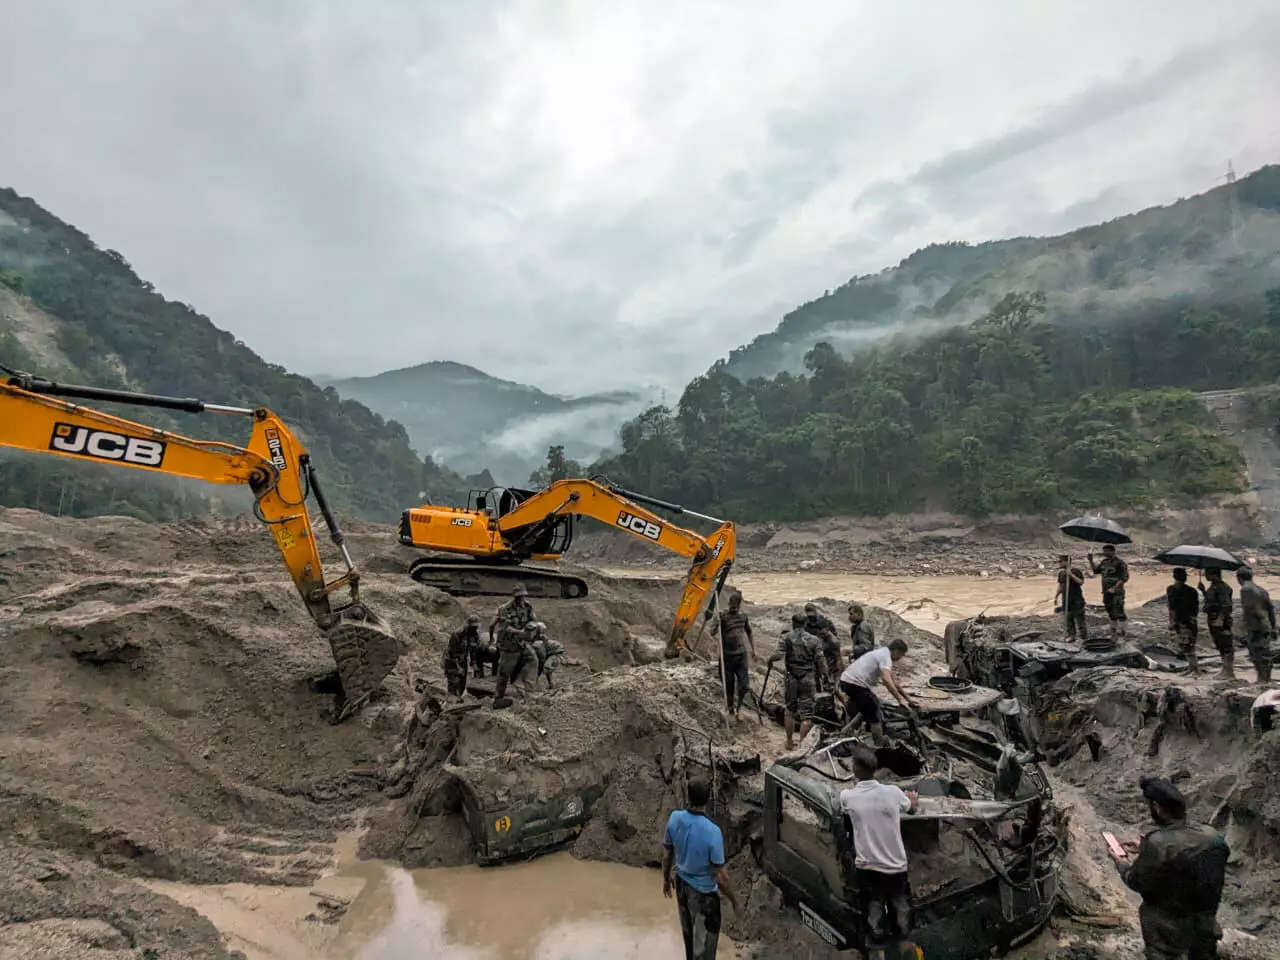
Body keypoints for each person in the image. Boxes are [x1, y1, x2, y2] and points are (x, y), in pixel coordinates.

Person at [1107, 776, 1229, 960]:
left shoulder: (1157, 843)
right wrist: (1143, 848)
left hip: (1168, 934)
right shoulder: (1212, 836)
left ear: (1156, 807)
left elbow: (1136, 881)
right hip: (1205, 926)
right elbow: (1187, 857)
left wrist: (1121, 862)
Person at [839, 745, 918, 958]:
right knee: (901, 907)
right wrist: (912, 799)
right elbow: (910, 807)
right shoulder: (893, 793)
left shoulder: (848, 797)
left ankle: (878, 945)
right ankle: (904, 941)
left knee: (874, 909)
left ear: (855, 769)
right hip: (895, 866)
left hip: (868, 867)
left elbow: (843, 810)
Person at [662, 775, 739, 960]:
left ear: (689, 796)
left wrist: (666, 879)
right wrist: (734, 901)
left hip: (682, 888)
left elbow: (666, 855)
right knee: (704, 952)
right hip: (705, 898)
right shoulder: (712, 832)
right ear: (708, 798)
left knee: (690, 945)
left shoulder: (675, 818)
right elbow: (720, 877)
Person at [767, 613, 828, 749]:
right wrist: (825, 677)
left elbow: (778, 655)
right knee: (806, 714)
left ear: (793, 623)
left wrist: (770, 660)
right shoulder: (814, 640)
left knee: (790, 710)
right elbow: (821, 661)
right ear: (805, 623)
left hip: (792, 677)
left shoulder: (786, 637)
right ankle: (802, 745)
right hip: (808, 678)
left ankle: (789, 741)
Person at [839, 639, 915, 743]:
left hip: (847, 681)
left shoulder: (882, 652)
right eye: (901, 655)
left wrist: (908, 699)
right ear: (897, 651)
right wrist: (899, 699)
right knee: (875, 714)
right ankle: (879, 742)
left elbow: (894, 682)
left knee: (870, 704)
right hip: (855, 684)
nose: (900, 659)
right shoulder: (885, 657)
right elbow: (886, 680)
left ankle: (847, 730)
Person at [490, 583, 536, 704]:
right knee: (504, 672)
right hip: (509, 645)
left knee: (533, 660)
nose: (520, 598)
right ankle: (498, 698)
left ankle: (529, 693)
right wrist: (520, 632)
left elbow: (533, 620)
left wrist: (535, 629)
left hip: (522, 643)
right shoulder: (505, 609)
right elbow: (506, 627)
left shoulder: (527, 606)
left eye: (522, 596)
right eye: (518, 596)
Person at [716, 591, 756, 720]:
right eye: (731, 605)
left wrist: (753, 649)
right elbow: (712, 632)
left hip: (741, 655)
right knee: (729, 683)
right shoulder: (722, 615)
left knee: (744, 684)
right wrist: (717, 622)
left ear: (739, 605)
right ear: (728, 604)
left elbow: (749, 632)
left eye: (735, 606)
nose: (732, 608)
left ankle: (739, 708)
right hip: (727, 655)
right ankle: (730, 708)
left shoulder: (743, 617)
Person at [1236, 567, 1274, 683]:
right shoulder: (1261, 590)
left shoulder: (1245, 589)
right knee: (1264, 653)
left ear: (1239, 578)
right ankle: (1265, 679)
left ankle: (1262, 679)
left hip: (1255, 625)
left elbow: (1248, 609)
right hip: (1265, 624)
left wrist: (1242, 628)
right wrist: (1273, 627)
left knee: (1256, 653)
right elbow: (1271, 609)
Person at [1199, 568, 1235, 680]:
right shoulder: (1214, 586)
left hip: (1220, 619)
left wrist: (1220, 619)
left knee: (1226, 645)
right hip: (1213, 618)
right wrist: (1203, 591)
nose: (1205, 576)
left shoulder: (1222, 587)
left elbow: (1227, 605)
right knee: (1220, 644)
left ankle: (1228, 671)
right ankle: (1225, 669)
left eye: (1207, 573)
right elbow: (1212, 601)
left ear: (1214, 574)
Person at [1089, 544, 1130, 641]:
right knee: (1110, 612)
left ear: (1112, 551)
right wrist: (1090, 560)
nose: (1104, 553)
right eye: (1104, 551)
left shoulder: (1120, 563)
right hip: (1106, 592)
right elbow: (1095, 571)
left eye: (1106, 551)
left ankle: (1123, 632)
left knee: (1119, 611)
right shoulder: (1104, 562)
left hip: (1117, 592)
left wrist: (1114, 588)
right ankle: (1113, 632)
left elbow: (1124, 578)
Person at [1166, 568, 1201, 674]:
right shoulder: (1192, 591)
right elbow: (1195, 609)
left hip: (1183, 620)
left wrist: (1171, 621)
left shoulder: (1171, 589)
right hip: (1188, 621)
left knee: (1186, 646)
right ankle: (1192, 667)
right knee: (1188, 645)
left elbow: (1171, 608)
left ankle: (1194, 668)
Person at [804, 602, 841, 691]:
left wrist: (837, 658)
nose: (811, 617)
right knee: (815, 680)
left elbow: (836, 642)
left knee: (828, 681)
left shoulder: (825, 622)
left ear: (815, 611)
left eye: (812, 614)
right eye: (809, 615)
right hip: (814, 656)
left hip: (827, 654)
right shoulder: (805, 624)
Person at [443, 614, 479, 699]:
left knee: (462, 684)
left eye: (476, 627)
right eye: (473, 627)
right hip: (451, 661)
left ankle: (457, 700)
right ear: (468, 624)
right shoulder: (457, 634)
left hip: (462, 660)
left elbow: (473, 651)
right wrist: (458, 668)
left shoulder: (475, 635)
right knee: (454, 684)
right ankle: (451, 704)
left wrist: (474, 664)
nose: (475, 629)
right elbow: (453, 653)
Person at [1054, 555, 1088, 641]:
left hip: (1076, 600)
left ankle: (1084, 637)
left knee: (1080, 620)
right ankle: (1072, 636)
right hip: (1066, 600)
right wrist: (1056, 596)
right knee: (1068, 619)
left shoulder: (1076, 571)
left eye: (1060, 561)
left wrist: (1071, 575)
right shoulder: (1061, 573)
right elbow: (1061, 585)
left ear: (1066, 561)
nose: (1059, 563)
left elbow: (1081, 582)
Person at [529, 623, 566, 688]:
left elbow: (542, 656)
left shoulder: (539, 643)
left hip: (556, 653)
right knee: (545, 668)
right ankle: (551, 684)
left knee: (546, 667)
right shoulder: (539, 639)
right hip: (552, 652)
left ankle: (552, 682)